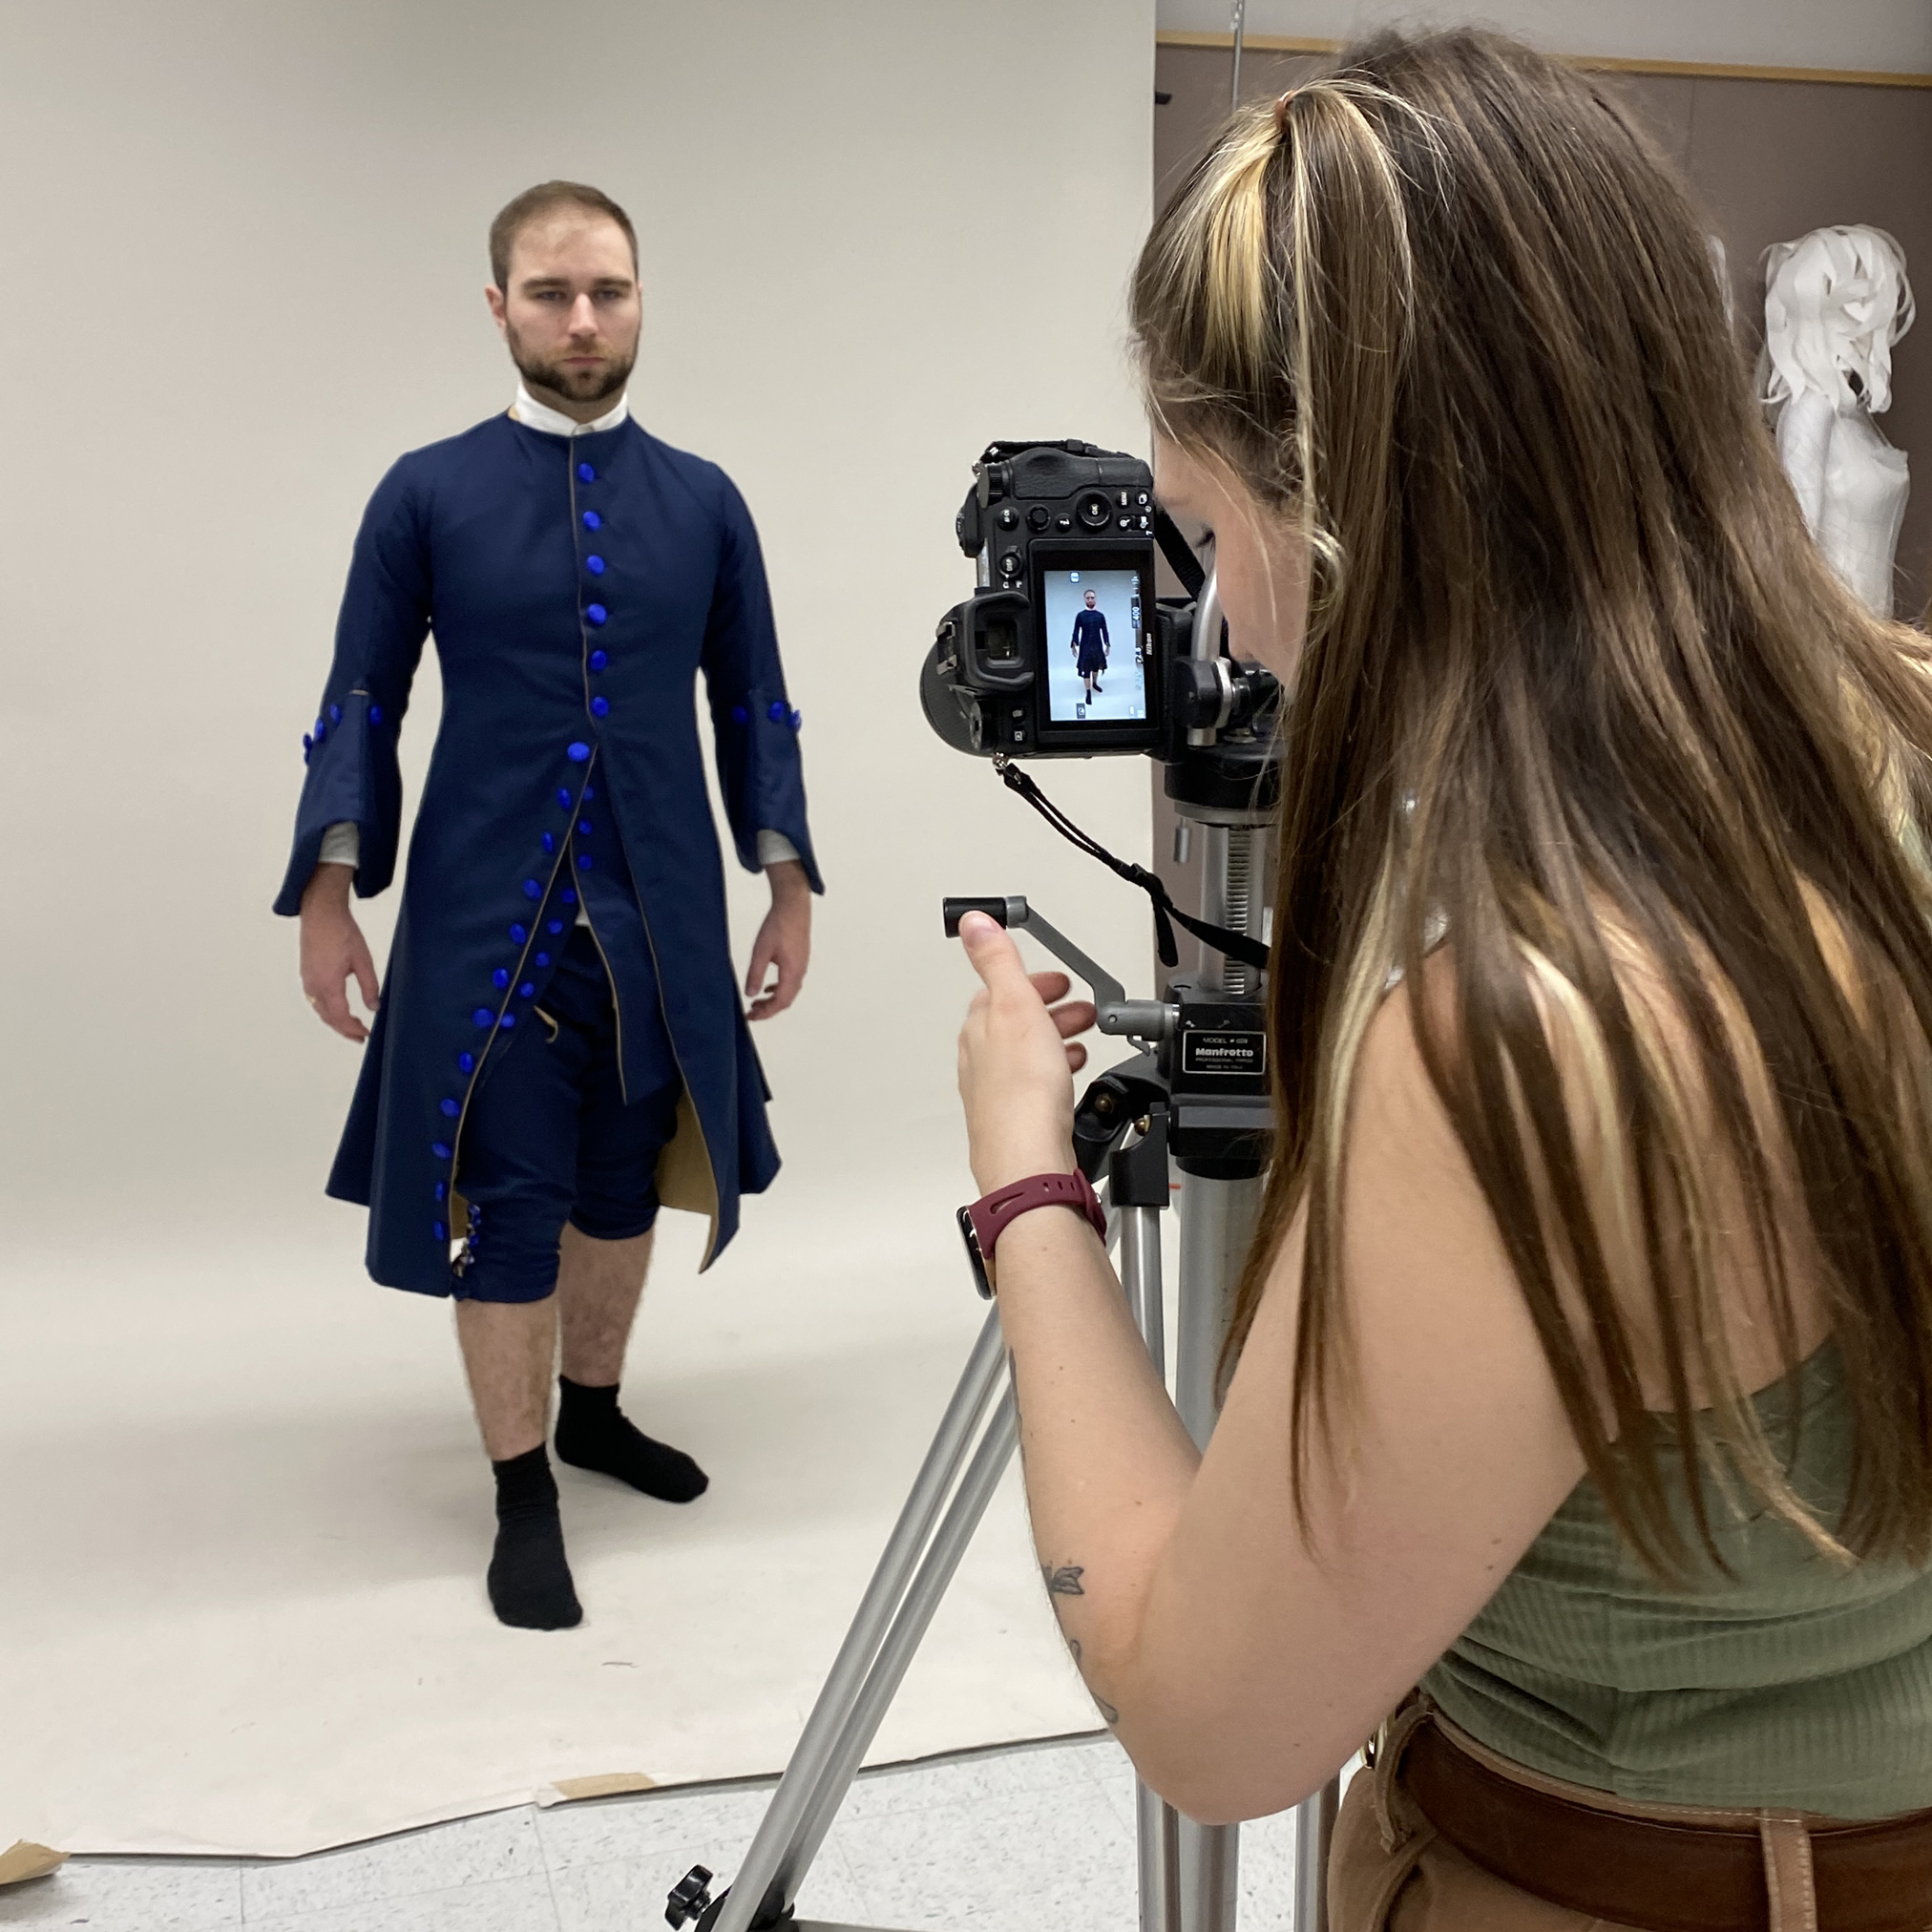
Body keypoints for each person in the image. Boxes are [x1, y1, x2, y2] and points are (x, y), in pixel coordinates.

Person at [952, 29, 1932, 1930]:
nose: (1221, 622)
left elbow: (1206, 1719)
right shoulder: (1890, 726)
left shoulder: (1524, 1034)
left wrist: (1028, 1186)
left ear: (1346, 524)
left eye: (1219, 537)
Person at [277, 180, 820, 1632]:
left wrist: (785, 881)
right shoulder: (425, 491)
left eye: (610, 292)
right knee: (508, 1209)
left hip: (658, 917)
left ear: (642, 298)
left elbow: (751, 703)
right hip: (482, 914)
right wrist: (330, 896)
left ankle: (594, 1411)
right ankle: (524, 1495)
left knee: (620, 1183)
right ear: (500, 304)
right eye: (552, 293)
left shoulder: (706, 501)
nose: (584, 321)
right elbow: (362, 699)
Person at [1069, 586, 1110, 703]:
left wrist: (1107, 644)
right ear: (1084, 599)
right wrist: (1073, 644)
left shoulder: (1100, 616)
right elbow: (1076, 630)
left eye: (1092, 598)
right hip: (1085, 646)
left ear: (1095, 599)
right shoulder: (1080, 615)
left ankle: (1095, 683)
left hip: (1097, 645)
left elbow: (1105, 630)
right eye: (1088, 598)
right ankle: (1088, 692)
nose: (1090, 600)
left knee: (1096, 666)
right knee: (1086, 669)